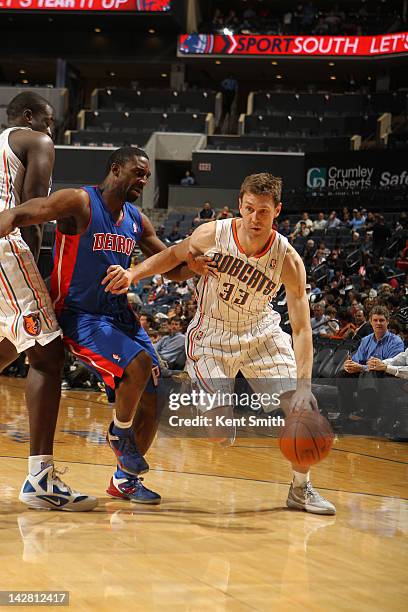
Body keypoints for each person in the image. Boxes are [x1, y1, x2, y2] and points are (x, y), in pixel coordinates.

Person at [104, 172, 336, 515]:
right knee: (219, 434)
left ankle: (301, 489)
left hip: (261, 333)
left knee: (301, 408)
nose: (255, 218)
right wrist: (133, 274)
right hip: (212, 334)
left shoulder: (287, 259)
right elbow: (172, 256)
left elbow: (302, 329)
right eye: (249, 209)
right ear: (240, 205)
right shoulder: (213, 233)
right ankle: (207, 397)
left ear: (277, 211)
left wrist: (303, 385)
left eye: (264, 212)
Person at [0, 146, 211, 505]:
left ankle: (125, 480)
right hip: (79, 314)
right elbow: (23, 213)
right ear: (116, 169)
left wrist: (199, 262)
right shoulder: (80, 201)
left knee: (156, 389)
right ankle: (119, 433)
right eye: (137, 173)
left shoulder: (135, 219)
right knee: (138, 365)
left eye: (146, 176)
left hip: (118, 316)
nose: (143, 181)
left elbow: (172, 267)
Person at [0, 91, 96, 511]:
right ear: (28, 117)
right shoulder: (36, 141)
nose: (52, 129)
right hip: (7, 248)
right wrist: (37, 278)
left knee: (9, 346)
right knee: (48, 355)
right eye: (49, 120)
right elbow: (32, 210)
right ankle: (40, 479)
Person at [337, 306, 404, 419]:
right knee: (343, 374)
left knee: (368, 373)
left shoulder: (396, 341)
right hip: (367, 372)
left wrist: (362, 367)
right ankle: (346, 412)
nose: (378, 323)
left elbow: (391, 365)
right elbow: (357, 360)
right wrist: (350, 365)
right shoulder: (366, 340)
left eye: (382, 320)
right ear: (370, 322)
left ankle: (368, 413)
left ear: (387, 322)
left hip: (386, 375)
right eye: (375, 320)